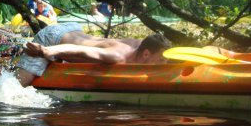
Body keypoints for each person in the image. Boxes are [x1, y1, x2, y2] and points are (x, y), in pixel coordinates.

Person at [16, 22, 171, 86]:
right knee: (19, 86)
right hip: (54, 37)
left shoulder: (139, 45)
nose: (164, 64)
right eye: (162, 60)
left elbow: (158, 43)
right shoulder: (117, 56)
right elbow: (81, 50)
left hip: (74, 30)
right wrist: (45, 51)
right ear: (146, 54)